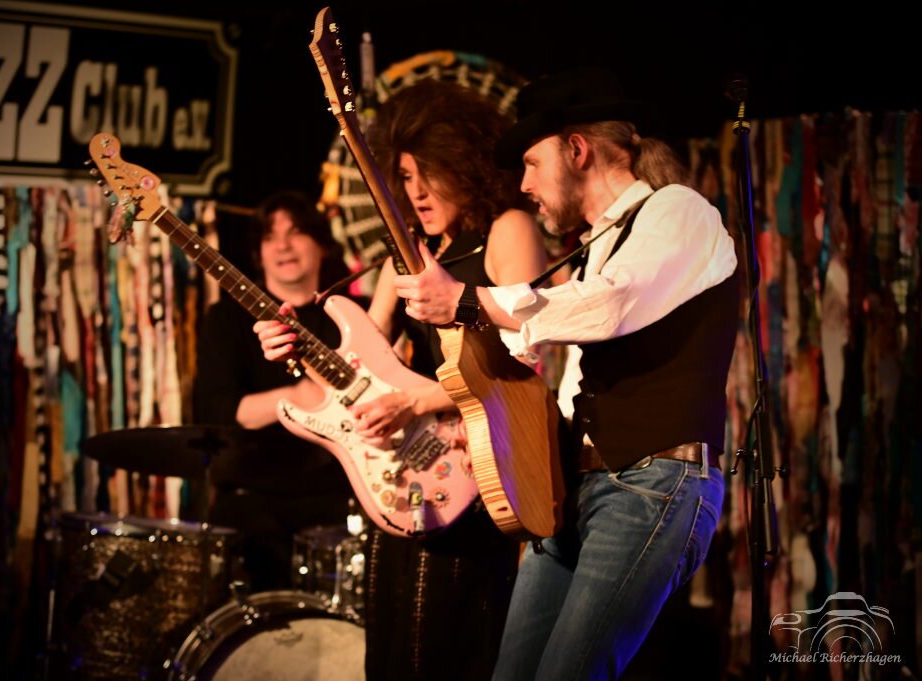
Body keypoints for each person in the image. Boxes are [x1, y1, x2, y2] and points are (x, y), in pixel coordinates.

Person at [392, 67, 739, 681]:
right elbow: (550, 362)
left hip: (654, 484)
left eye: (532, 162)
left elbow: (609, 305)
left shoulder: (679, 210)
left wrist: (467, 299)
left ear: (577, 150)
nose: (523, 184)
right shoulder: (593, 248)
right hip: (577, 491)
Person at [255, 79, 548, 681]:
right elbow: (366, 363)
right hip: (406, 473)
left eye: (427, 173)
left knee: (445, 650)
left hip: (479, 463)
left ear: (465, 163)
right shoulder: (407, 250)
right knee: (391, 654)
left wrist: (416, 401)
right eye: (405, 177)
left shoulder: (509, 230)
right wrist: (294, 350)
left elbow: (522, 361)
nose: (414, 192)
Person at [192, 190, 354, 592]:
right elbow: (216, 411)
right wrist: (295, 397)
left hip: (339, 501)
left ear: (322, 244)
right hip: (252, 504)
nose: (283, 245)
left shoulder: (358, 317)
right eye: (270, 237)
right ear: (258, 254)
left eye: (295, 232)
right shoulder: (226, 319)